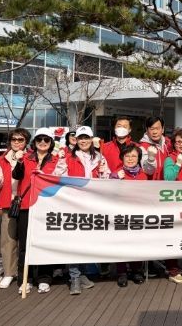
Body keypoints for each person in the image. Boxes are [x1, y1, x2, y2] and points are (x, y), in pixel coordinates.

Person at [14, 128, 67, 294]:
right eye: (39, 139)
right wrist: (19, 161)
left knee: (45, 243)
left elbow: (61, 180)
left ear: (51, 143)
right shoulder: (26, 157)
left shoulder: (57, 160)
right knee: (25, 244)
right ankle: (26, 278)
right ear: (34, 142)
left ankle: (44, 278)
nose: (42, 143)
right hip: (27, 205)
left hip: (46, 207)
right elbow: (16, 175)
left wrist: (43, 175)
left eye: (46, 140)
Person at [63, 125, 110, 294]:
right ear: (76, 140)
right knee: (74, 241)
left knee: (85, 241)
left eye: (86, 138)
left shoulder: (99, 157)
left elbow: (106, 181)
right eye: (80, 138)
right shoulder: (68, 157)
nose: (83, 141)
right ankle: (74, 277)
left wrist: (104, 173)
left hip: (92, 205)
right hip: (74, 205)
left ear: (91, 139)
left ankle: (82, 274)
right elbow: (59, 177)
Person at [0, 127, 31, 289]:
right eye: (14, 139)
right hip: (9, 203)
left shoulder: (32, 157)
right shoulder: (1, 160)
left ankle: (25, 273)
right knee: (8, 239)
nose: (17, 142)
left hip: (27, 203)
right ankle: (9, 272)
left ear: (26, 142)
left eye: (21, 140)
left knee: (26, 240)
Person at [112, 145, 148, 287]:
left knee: (137, 243)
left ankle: (136, 270)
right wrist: (114, 179)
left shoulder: (143, 174)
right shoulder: (116, 174)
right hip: (121, 214)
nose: (130, 159)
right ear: (122, 158)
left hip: (138, 215)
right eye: (127, 156)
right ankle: (121, 272)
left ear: (139, 158)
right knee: (121, 243)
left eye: (134, 156)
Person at [162, 127, 182, 284]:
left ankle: (174, 265)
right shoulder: (170, 158)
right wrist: (178, 164)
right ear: (173, 143)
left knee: (180, 235)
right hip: (173, 204)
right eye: (178, 141)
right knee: (172, 236)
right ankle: (172, 270)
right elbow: (168, 178)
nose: (181, 144)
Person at [139, 116, 171, 180]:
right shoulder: (143, 147)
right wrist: (151, 159)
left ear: (163, 129)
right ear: (147, 130)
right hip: (152, 184)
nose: (155, 132)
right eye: (152, 129)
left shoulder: (169, 144)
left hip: (168, 184)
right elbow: (148, 171)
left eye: (157, 128)